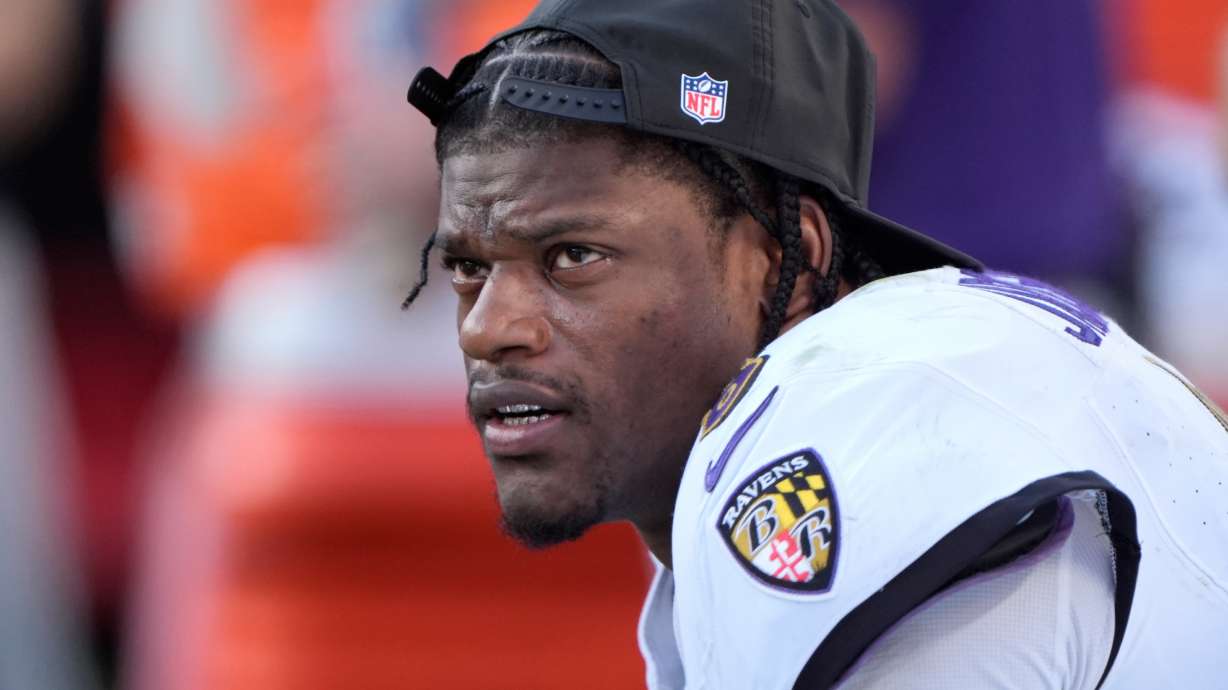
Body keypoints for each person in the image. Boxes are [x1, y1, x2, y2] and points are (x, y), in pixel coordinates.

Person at [401, 0, 1228, 687]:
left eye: (574, 257)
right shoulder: (769, 440)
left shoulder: (854, 413)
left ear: (789, 263)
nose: (487, 327)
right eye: (469, 268)